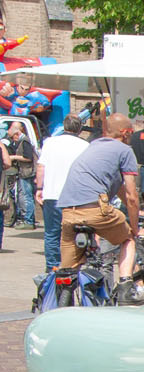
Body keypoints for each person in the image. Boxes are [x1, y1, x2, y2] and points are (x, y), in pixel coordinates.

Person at [58, 113, 139, 283]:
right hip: (96, 210)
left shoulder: (93, 146)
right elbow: (132, 197)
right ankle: (125, 285)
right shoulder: (125, 150)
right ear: (125, 132)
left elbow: (118, 188)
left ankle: (64, 296)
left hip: (68, 212)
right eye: (131, 132)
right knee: (128, 238)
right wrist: (135, 226)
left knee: (67, 271)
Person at [34, 113, 90, 270]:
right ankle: (70, 265)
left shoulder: (50, 143)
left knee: (51, 233)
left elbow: (41, 167)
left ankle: (52, 267)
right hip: (75, 196)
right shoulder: (84, 146)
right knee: (73, 233)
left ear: (64, 126)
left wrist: (39, 188)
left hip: (52, 194)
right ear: (80, 129)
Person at [3, 121, 37, 228]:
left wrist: (13, 157)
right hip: (24, 172)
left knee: (27, 197)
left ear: (17, 133)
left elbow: (28, 157)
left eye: (13, 137)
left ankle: (29, 221)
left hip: (27, 172)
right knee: (25, 196)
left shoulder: (25, 141)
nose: (13, 140)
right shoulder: (23, 140)